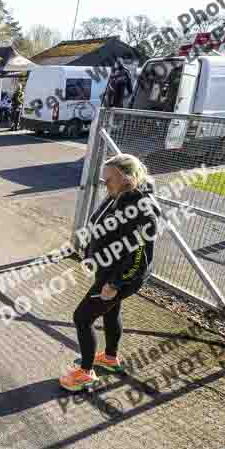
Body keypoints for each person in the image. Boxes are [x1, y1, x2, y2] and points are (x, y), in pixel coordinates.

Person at [60, 154, 162, 391]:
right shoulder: (119, 195)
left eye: (109, 179)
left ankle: (85, 373)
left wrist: (115, 284)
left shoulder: (142, 210)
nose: (105, 184)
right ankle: (109, 357)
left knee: (82, 318)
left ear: (127, 178)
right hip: (108, 269)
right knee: (111, 310)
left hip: (120, 277)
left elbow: (139, 258)